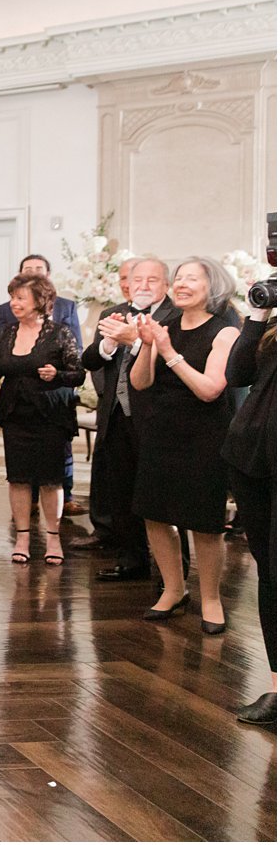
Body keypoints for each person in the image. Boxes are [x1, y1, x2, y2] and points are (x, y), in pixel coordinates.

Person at [130, 256, 239, 633]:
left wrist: (169, 351)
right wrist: (148, 346)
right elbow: (141, 383)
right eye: (178, 278)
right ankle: (174, 589)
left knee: (204, 523)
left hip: (204, 436)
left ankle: (210, 598)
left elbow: (210, 390)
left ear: (213, 287)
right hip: (161, 431)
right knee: (155, 514)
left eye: (192, 278)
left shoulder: (225, 332)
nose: (182, 284)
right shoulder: (165, 326)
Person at [82, 258, 179, 582]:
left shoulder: (176, 316)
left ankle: (173, 575)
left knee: (161, 498)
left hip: (156, 417)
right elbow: (89, 359)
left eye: (153, 280)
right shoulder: (114, 313)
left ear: (166, 285)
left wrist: (134, 341)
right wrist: (109, 343)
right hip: (116, 415)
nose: (144, 285)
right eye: (138, 280)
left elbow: (171, 365)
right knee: (121, 493)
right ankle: (133, 559)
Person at [0, 272, 85, 566]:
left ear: (40, 301)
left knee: (52, 479)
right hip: (16, 414)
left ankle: (53, 537)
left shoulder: (59, 333)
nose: (14, 303)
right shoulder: (7, 333)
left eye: (20, 298)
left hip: (50, 414)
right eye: (12, 297)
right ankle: (23, 536)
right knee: (19, 478)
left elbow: (78, 373)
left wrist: (57, 375)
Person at [224, 292, 275, 726]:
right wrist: (257, 316)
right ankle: (277, 687)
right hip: (253, 462)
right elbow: (236, 373)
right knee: (271, 575)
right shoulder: (270, 326)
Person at [71, 256, 139, 551]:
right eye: (123, 279)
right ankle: (105, 529)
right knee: (106, 467)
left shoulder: (169, 316)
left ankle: (141, 541)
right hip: (111, 403)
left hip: (144, 409)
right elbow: (93, 359)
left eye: (134, 279)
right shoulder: (113, 313)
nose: (127, 285)